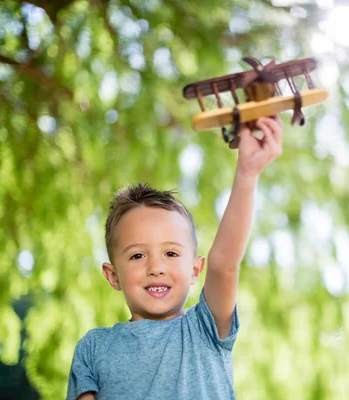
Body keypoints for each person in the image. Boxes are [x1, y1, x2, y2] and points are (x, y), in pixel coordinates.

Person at [66, 116, 283, 400]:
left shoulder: (204, 329)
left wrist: (247, 173)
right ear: (113, 275)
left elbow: (224, 265)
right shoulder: (94, 348)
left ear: (195, 270)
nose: (156, 267)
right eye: (137, 255)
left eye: (170, 253)